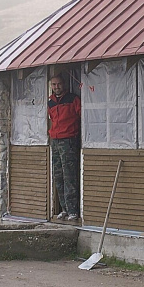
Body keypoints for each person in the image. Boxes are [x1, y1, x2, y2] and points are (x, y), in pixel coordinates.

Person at [48, 74, 81, 221]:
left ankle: (73, 210)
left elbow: (83, 116)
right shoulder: (50, 102)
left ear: (64, 84)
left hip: (68, 140)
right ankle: (64, 209)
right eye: (54, 85)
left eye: (59, 84)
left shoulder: (73, 99)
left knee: (69, 176)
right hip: (54, 141)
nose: (56, 87)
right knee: (58, 176)